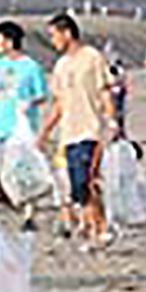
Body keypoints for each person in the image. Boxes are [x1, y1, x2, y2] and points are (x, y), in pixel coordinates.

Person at [38, 14, 117, 247]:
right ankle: (92, 228)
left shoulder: (92, 57)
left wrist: (112, 120)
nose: (52, 41)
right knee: (77, 187)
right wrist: (43, 132)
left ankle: (100, 229)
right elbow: (60, 104)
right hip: (68, 134)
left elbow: (105, 91)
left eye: (54, 35)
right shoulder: (61, 66)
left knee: (86, 179)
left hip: (90, 130)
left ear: (67, 33)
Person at [0, 21, 48, 229]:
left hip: (21, 130)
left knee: (23, 174)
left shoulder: (31, 66)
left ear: (9, 42)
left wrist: (29, 103)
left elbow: (42, 95)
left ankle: (29, 216)